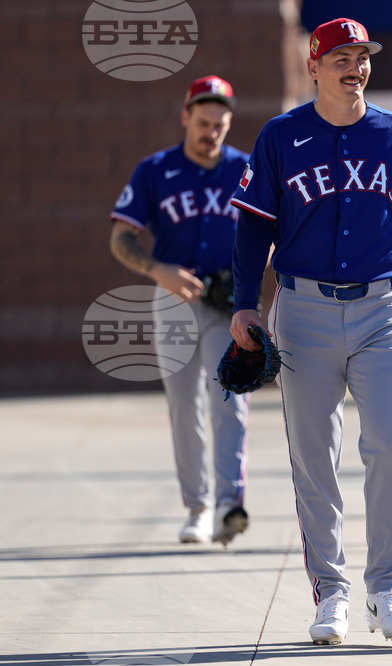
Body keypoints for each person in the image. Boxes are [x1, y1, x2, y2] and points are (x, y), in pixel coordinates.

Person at [228, 18, 392, 646]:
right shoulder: (280, 136)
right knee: (314, 456)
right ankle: (332, 593)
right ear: (314, 66)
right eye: (342, 57)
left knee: (390, 444)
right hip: (303, 313)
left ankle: (387, 588)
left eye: (363, 57)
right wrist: (245, 306)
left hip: (384, 311)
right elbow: (252, 231)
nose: (356, 67)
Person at [109, 75, 252, 547]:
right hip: (172, 298)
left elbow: (274, 232)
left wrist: (253, 270)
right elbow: (121, 237)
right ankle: (198, 507)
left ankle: (230, 503)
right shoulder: (155, 170)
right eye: (203, 120)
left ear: (228, 123)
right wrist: (157, 270)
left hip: (226, 304)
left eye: (219, 122)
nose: (210, 130)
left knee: (229, 399)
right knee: (185, 406)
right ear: (186, 117)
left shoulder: (246, 169)